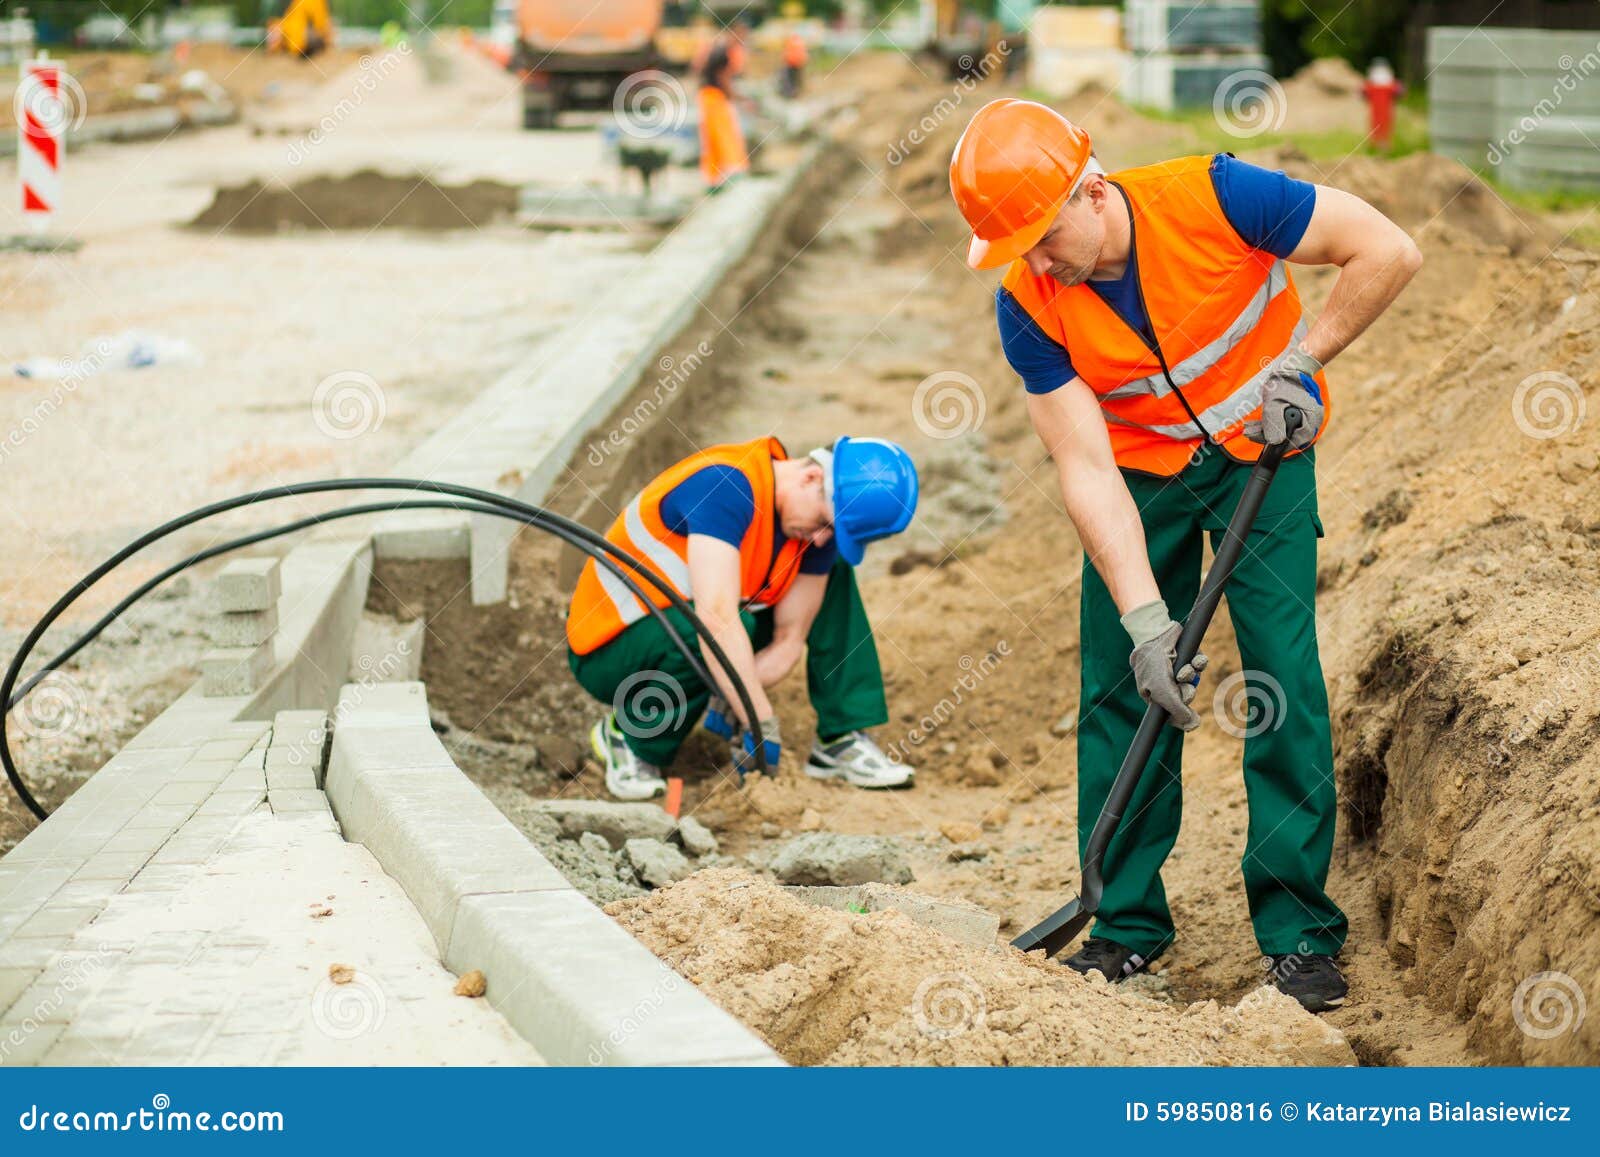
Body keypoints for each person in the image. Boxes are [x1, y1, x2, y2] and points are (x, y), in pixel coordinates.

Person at [948, 99, 1422, 1012]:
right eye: (1019, 251)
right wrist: (1146, 625)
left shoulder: (1217, 196)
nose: (1038, 263)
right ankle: (1126, 925)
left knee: (1281, 671)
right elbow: (1084, 468)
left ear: (1092, 190)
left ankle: (1300, 933)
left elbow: (1389, 250)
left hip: (1264, 448)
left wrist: (1304, 362)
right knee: (1124, 686)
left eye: (1044, 238)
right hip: (1144, 472)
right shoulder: (1028, 306)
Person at [566, 436, 920, 801]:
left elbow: (790, 638)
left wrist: (739, 690)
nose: (821, 540)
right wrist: (759, 719)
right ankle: (629, 738)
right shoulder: (726, 486)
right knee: (713, 628)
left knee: (835, 569)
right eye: (825, 524)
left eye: (833, 531)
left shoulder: (811, 527)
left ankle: (841, 738)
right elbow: (716, 618)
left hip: (695, 629)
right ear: (811, 478)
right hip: (612, 647)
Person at [698, 43, 748, 191]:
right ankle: (724, 175)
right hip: (714, 100)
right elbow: (723, 79)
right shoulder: (723, 59)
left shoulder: (716, 56)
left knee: (712, 141)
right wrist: (740, 99)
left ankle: (713, 178)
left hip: (708, 97)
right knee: (722, 138)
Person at [780, 32, 808, 99]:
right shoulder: (801, 42)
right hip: (799, 63)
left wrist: (784, 59)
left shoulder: (791, 42)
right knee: (797, 79)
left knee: (790, 79)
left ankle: (791, 93)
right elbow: (804, 53)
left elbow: (787, 52)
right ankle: (797, 92)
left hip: (791, 63)